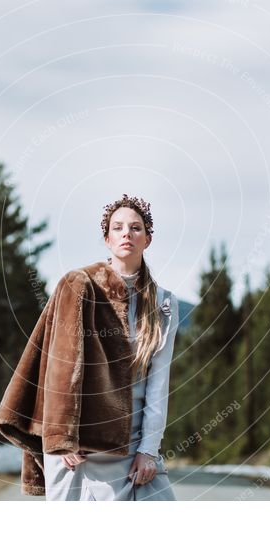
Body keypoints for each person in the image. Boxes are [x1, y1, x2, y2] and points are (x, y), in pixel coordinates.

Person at [41, 194, 179, 500]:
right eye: (117, 228)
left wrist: (149, 450)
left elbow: (159, 382)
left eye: (135, 227)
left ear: (148, 239)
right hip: (78, 448)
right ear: (107, 239)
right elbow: (57, 367)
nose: (126, 233)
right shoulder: (79, 287)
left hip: (132, 447)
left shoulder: (164, 303)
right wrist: (63, 436)